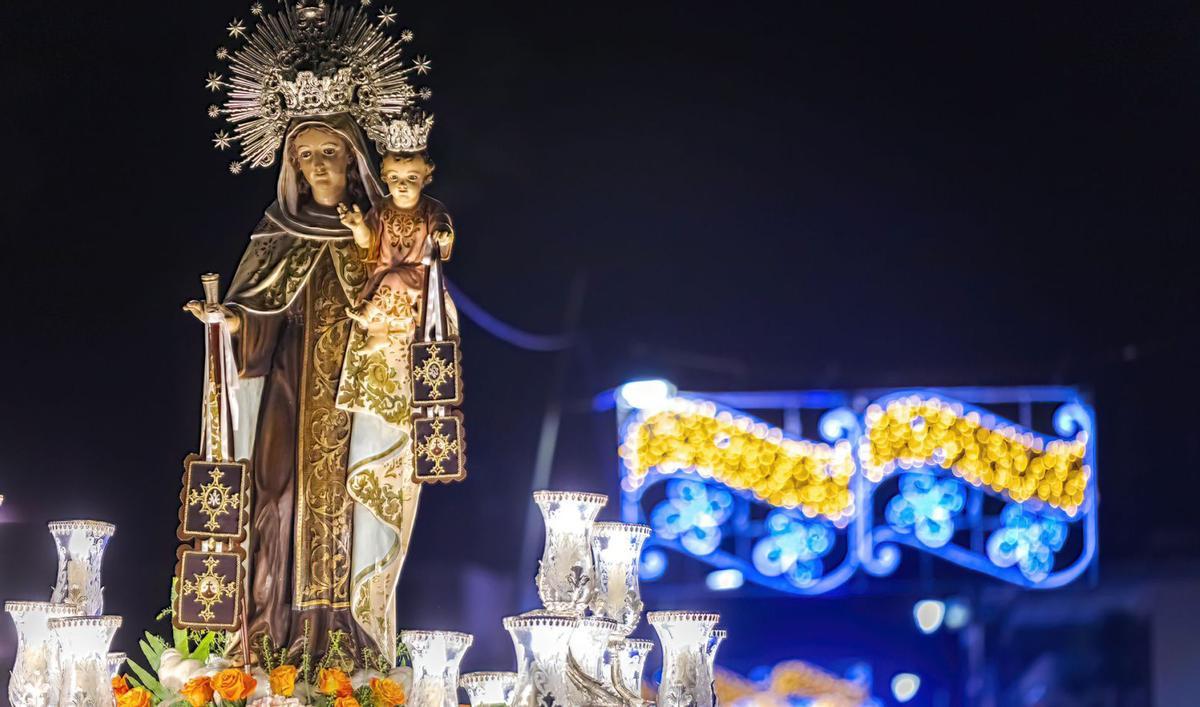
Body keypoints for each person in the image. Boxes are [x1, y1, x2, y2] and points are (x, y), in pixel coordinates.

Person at [183, 115, 423, 662]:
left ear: (352, 159)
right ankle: (266, 635)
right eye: (306, 154)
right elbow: (259, 311)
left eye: (329, 152)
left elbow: (413, 299)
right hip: (287, 394)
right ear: (292, 164)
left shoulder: (379, 234)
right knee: (271, 498)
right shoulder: (278, 229)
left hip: (353, 395)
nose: (317, 165)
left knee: (343, 504)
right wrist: (229, 324)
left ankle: (340, 640)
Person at [337, 149, 455, 353]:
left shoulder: (431, 209)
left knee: (393, 279)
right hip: (385, 270)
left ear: (425, 177)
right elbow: (369, 241)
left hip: (417, 275)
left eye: (411, 177)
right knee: (380, 282)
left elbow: (441, 225)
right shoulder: (381, 208)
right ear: (384, 177)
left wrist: (442, 234)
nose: (402, 185)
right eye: (394, 177)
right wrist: (358, 227)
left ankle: (368, 313)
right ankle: (378, 335)